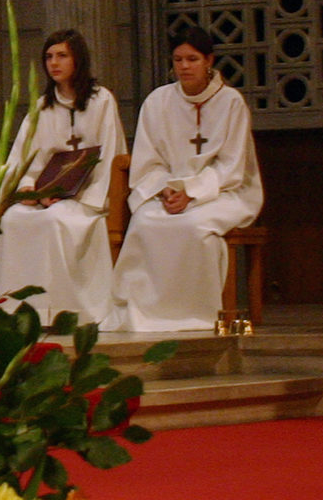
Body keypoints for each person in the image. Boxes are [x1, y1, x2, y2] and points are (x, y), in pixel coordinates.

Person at [107, 25, 264, 332]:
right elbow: (147, 162)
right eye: (178, 60)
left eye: (192, 59)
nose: (184, 66)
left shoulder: (231, 102)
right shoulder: (157, 101)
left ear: (209, 61)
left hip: (222, 192)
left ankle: (194, 315)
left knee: (194, 226)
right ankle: (149, 313)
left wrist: (192, 192)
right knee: (146, 222)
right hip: (166, 192)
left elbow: (231, 166)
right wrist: (167, 190)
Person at [0, 30, 125, 326]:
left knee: (56, 220)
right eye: (49, 57)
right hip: (42, 195)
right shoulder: (41, 107)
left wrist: (74, 195)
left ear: (78, 59)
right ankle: (17, 311)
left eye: (62, 55)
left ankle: (65, 312)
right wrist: (30, 192)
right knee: (12, 220)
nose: (54, 63)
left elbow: (111, 155)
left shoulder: (102, 101)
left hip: (85, 195)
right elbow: (22, 160)